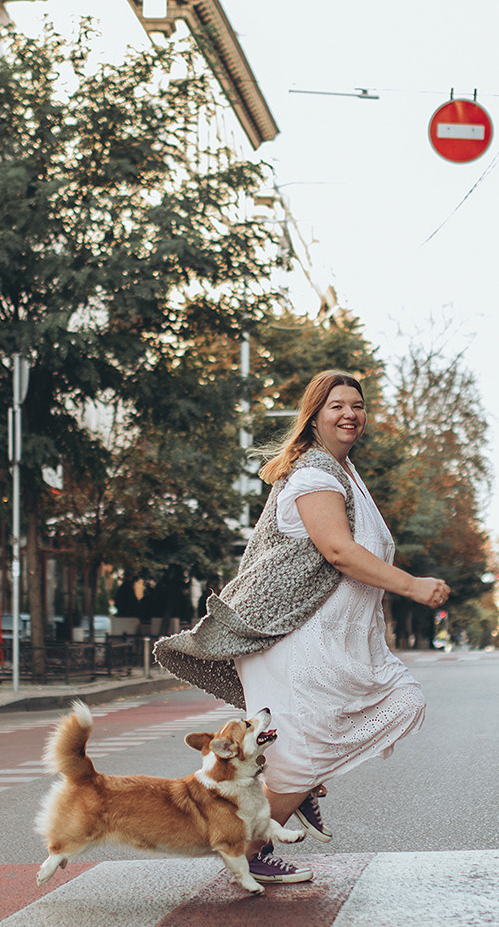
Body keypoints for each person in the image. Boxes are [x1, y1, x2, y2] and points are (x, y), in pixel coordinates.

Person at [155, 370, 446, 885]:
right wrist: (413, 586)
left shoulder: (344, 472)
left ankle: (300, 791)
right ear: (314, 416)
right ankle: (251, 849)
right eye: (337, 405)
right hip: (296, 641)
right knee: (300, 756)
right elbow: (338, 551)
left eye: (357, 405)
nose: (350, 414)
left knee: (398, 702)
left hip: (336, 643)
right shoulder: (315, 475)